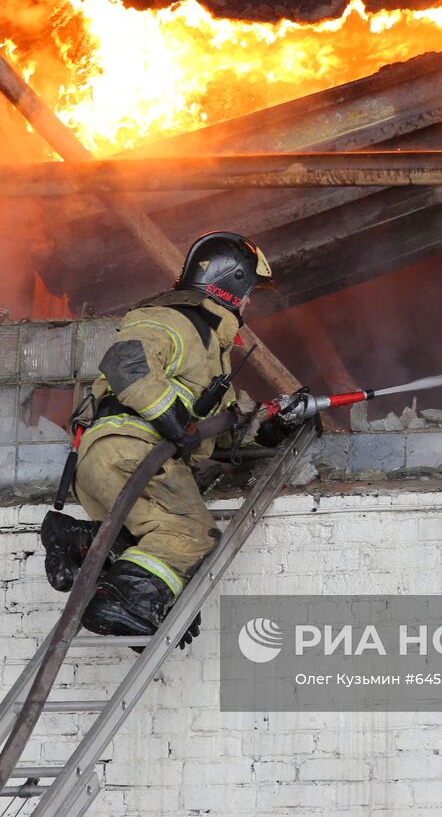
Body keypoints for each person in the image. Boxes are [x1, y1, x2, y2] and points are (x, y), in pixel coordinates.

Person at [40, 232, 288, 640]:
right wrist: (174, 422)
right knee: (191, 533)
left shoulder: (210, 350)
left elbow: (215, 434)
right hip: (131, 453)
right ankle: (122, 601)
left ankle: (85, 544)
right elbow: (126, 363)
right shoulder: (173, 319)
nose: (250, 303)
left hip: (113, 460)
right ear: (231, 284)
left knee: (149, 537)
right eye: (250, 292)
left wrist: (271, 428)